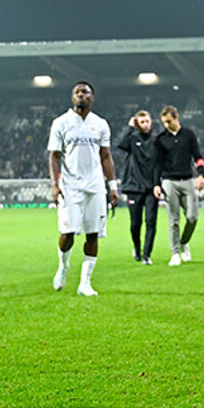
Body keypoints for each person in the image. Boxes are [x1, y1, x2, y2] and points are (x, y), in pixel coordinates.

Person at [48, 81, 118, 296]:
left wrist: (112, 186)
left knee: (93, 234)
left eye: (85, 92)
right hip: (71, 186)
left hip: (96, 186)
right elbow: (54, 155)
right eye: (77, 92)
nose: (81, 95)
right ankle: (63, 265)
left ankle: (85, 283)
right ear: (72, 97)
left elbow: (106, 156)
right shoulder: (61, 122)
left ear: (92, 97)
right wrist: (55, 184)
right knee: (67, 233)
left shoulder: (100, 124)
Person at [152, 106, 204, 266]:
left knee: (192, 217)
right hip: (169, 182)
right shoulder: (160, 139)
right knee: (173, 220)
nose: (166, 125)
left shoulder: (189, 135)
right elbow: (157, 164)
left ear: (176, 117)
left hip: (188, 180)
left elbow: (198, 156)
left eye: (169, 121)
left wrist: (202, 174)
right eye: (164, 122)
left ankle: (184, 242)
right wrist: (156, 184)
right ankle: (175, 253)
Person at [117, 110, 160, 263]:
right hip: (134, 187)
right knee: (135, 223)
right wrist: (129, 128)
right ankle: (137, 247)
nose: (145, 124)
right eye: (142, 122)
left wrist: (157, 184)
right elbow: (120, 144)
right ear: (137, 124)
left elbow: (158, 165)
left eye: (147, 121)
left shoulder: (156, 141)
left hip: (150, 188)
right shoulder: (132, 139)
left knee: (151, 221)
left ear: (151, 122)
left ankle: (147, 254)